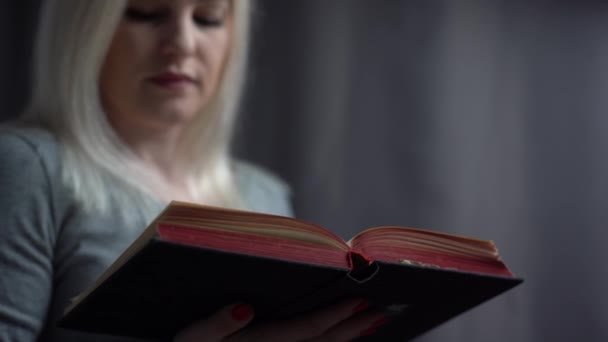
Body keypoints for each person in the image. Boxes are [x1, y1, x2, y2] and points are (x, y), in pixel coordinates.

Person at [0, 0, 386, 341]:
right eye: (146, 13)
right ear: (84, 29)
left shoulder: (264, 195)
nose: (182, 43)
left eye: (207, 18)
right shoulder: (29, 168)